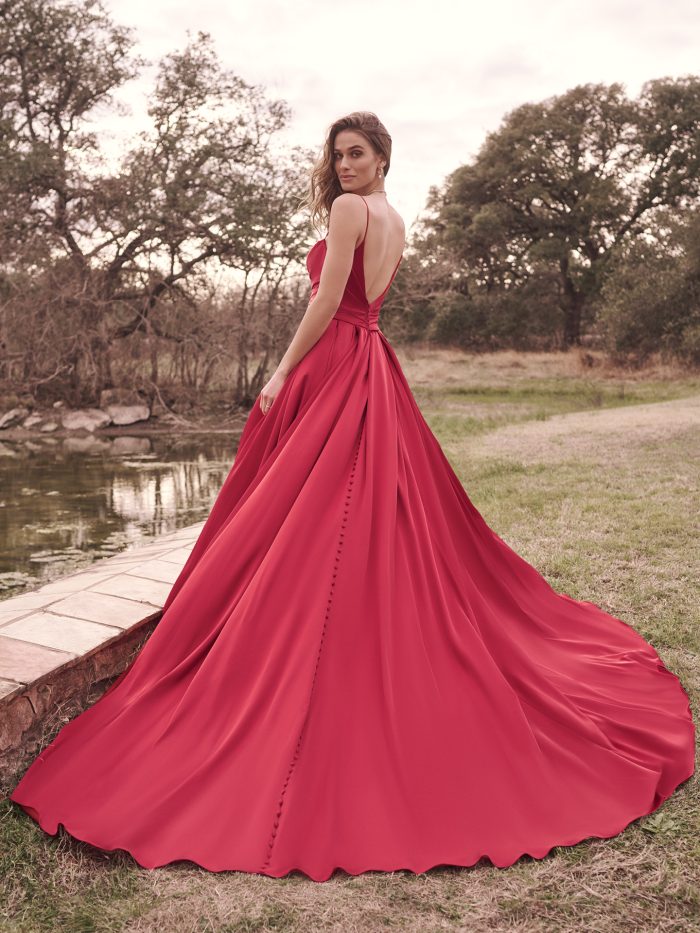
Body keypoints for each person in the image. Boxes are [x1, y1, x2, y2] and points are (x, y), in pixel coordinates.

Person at [8, 111, 695, 883]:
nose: (343, 166)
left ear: (382, 157)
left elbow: (327, 300)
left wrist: (277, 371)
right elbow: (365, 304)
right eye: (336, 156)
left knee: (310, 514)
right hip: (371, 361)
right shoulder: (395, 216)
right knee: (339, 512)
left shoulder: (349, 212)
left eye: (356, 153)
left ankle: (305, 648)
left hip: (337, 358)